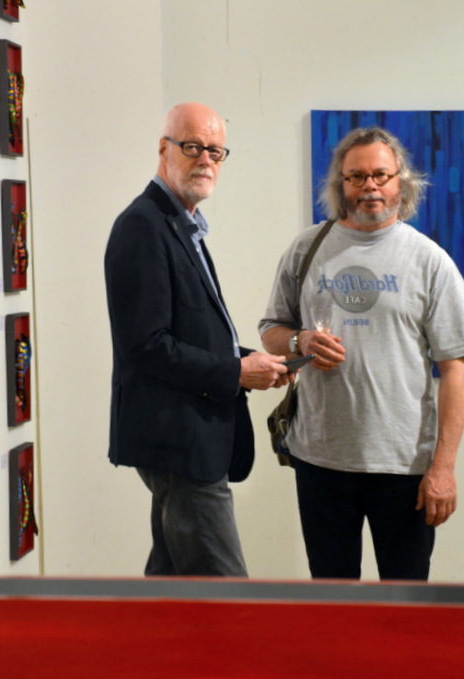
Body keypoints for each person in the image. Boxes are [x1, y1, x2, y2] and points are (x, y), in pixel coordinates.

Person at [258, 126, 464, 580]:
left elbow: (456, 368)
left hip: (404, 466)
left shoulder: (429, 260)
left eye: (381, 175)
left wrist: (443, 467)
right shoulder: (307, 250)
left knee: (404, 602)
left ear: (402, 181)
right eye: (356, 176)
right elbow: (271, 331)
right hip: (320, 460)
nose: (369, 186)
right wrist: (300, 341)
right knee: (332, 599)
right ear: (340, 184)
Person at [104, 102, 289, 577]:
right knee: (227, 593)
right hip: (180, 443)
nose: (206, 159)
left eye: (215, 150)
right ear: (163, 149)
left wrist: (254, 361)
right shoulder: (143, 226)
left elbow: (192, 333)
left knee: (169, 582)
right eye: (192, 147)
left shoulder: (182, 226)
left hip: (190, 438)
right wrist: (235, 371)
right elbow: (146, 345)